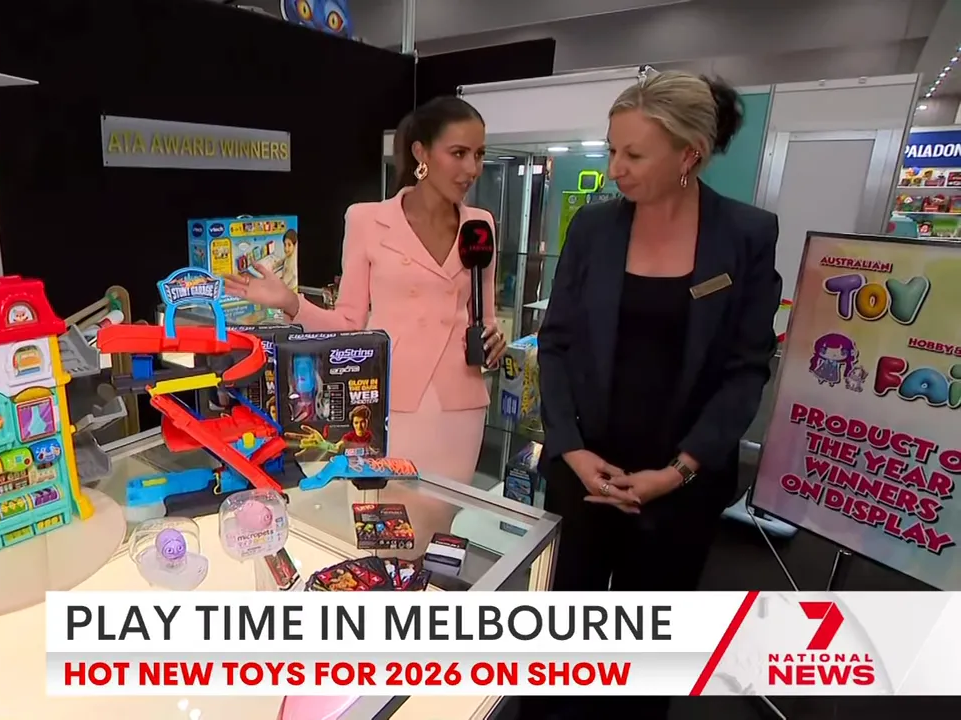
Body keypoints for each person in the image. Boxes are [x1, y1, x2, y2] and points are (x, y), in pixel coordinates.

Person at [532, 71, 781, 717]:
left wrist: (679, 471)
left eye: (633, 154)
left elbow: (746, 368)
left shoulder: (746, 236)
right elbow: (554, 345)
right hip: (585, 470)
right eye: (612, 148)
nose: (614, 168)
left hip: (680, 482)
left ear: (689, 156)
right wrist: (569, 448)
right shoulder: (593, 229)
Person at [224, 97, 505, 484]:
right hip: (391, 401)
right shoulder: (367, 220)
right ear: (421, 152)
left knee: (444, 519)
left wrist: (493, 339)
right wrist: (291, 302)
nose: (472, 169)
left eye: (479, 154)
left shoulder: (481, 224)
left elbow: (485, 319)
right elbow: (348, 321)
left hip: (461, 405)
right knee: (386, 518)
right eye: (458, 153)